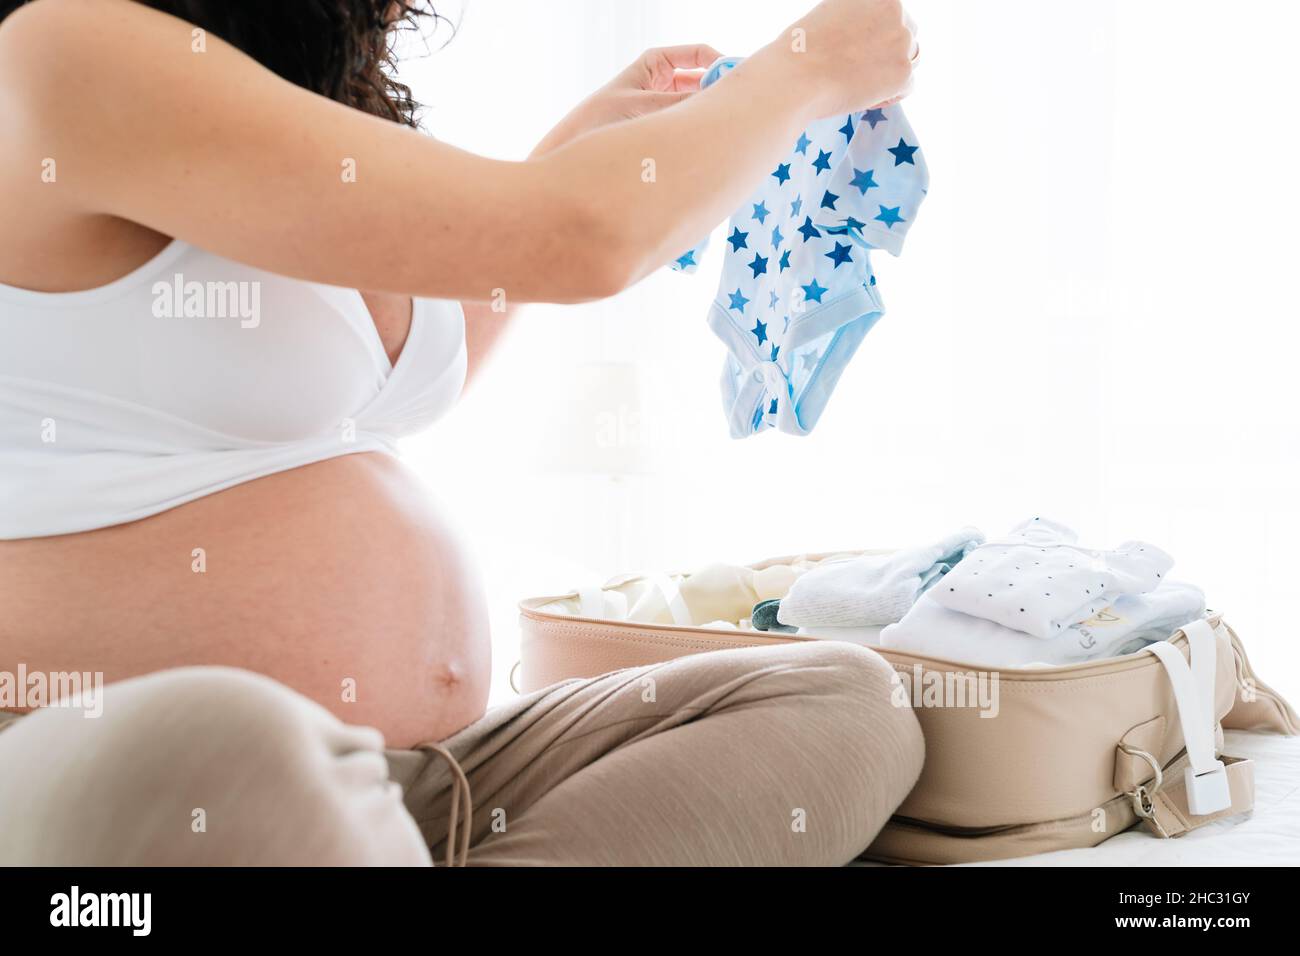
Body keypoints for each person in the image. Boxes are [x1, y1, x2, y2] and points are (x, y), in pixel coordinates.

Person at [0, 0, 923, 865]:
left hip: (435, 776)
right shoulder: (64, 50)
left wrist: (578, 149)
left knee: (844, 701)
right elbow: (583, 237)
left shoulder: (281, 100)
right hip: (157, 772)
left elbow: (414, 361)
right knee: (240, 734)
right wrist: (805, 70)